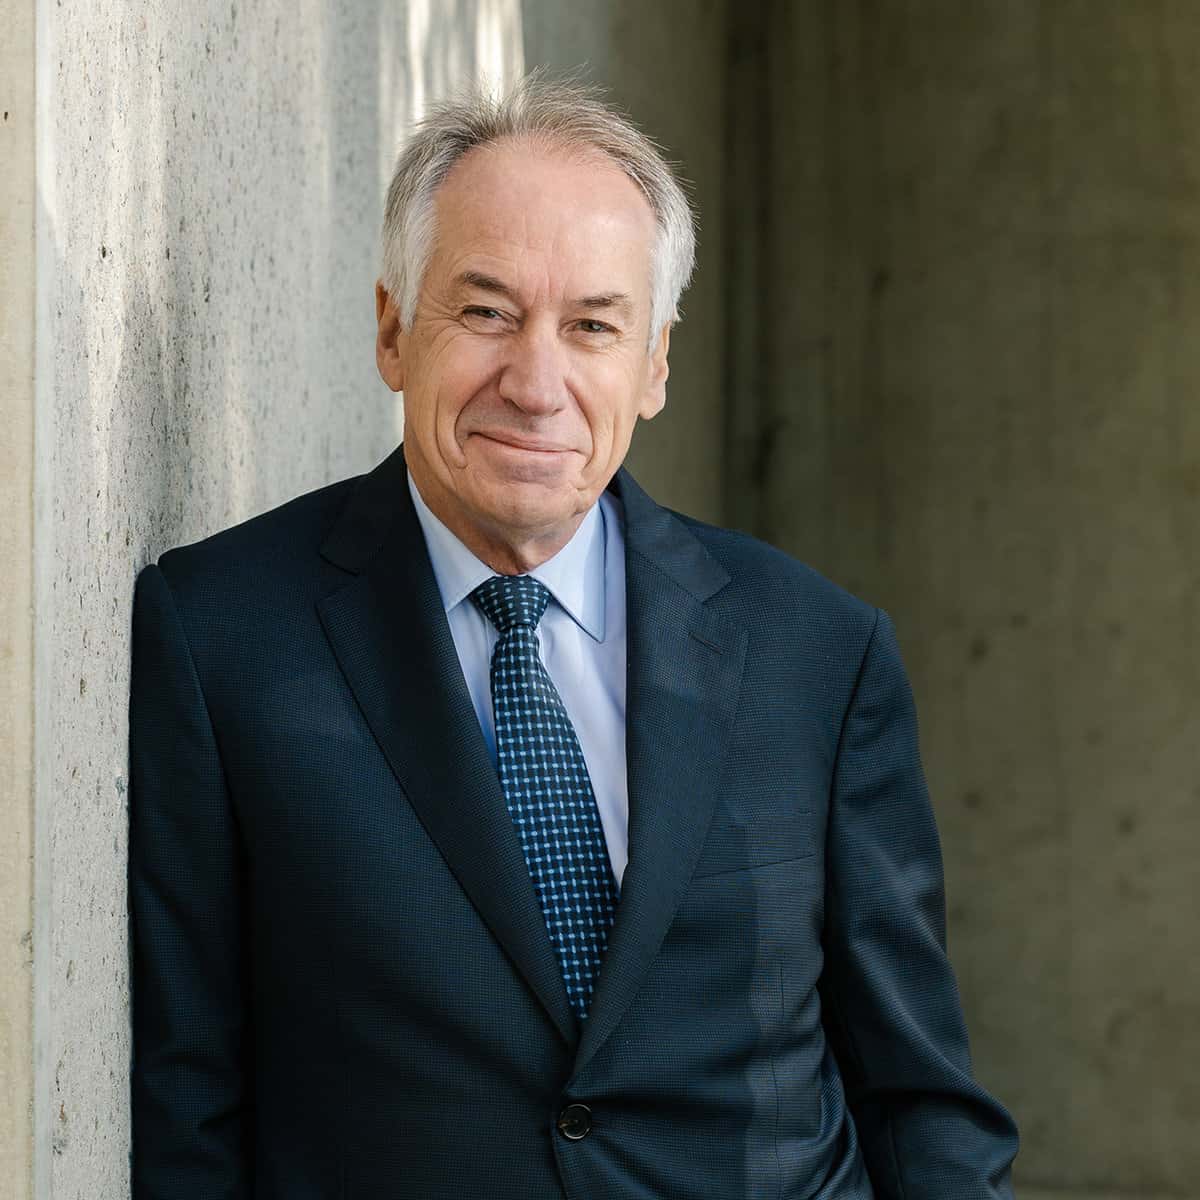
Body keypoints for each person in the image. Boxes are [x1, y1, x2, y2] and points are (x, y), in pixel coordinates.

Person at [128, 75, 1019, 1199]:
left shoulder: (816, 654)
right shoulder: (222, 639)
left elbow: (919, 1099)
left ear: (652, 367)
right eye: (487, 311)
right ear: (394, 330)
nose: (536, 383)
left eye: (594, 325)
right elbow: (187, 1103)